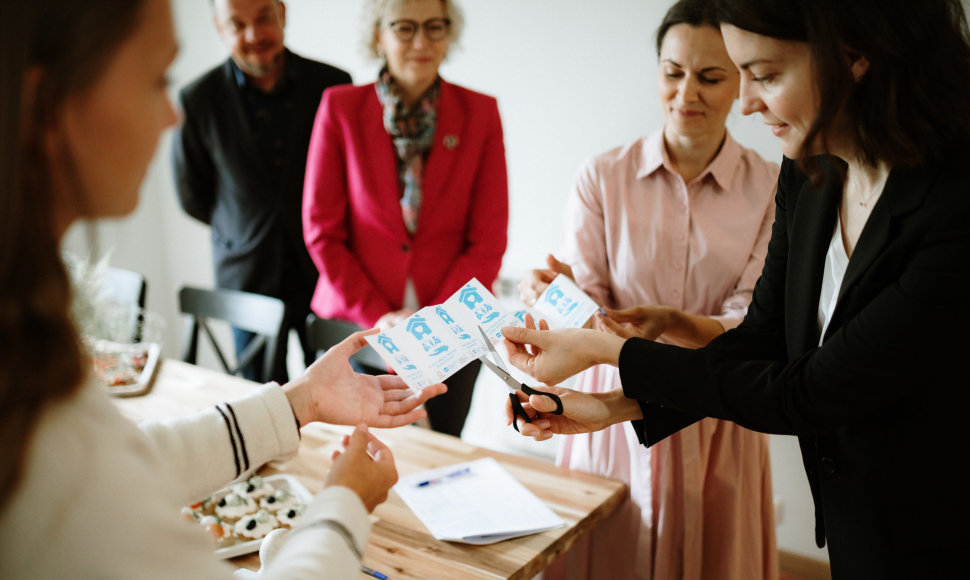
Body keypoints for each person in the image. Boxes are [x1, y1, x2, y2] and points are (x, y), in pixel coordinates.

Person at [502, 0, 970, 577]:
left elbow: (809, 392)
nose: (746, 102)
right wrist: (613, 405)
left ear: (854, 60)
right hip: (855, 511)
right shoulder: (811, 173)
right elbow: (765, 337)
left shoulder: (953, 206)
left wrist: (607, 350)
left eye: (765, 75)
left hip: (943, 522)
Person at [0, 0, 446, 577]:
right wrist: (346, 502)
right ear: (49, 102)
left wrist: (300, 400)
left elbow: (129, 462)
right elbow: (196, 196)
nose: (170, 115)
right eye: (156, 78)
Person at [517, 2, 778, 578]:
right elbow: (588, 298)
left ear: (741, 80)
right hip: (612, 408)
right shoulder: (602, 176)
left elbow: (756, 318)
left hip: (716, 412)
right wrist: (563, 299)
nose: (688, 93)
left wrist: (658, 330)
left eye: (711, 77)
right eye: (673, 71)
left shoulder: (773, 186)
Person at [302, 0, 508, 437]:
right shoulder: (340, 108)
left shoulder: (480, 113)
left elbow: (488, 240)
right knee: (360, 452)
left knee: (441, 452)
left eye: (435, 27)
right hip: (357, 326)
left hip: (452, 326)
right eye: (404, 28)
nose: (421, 41)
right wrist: (384, 319)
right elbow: (322, 233)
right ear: (378, 35)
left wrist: (432, 325)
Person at [171, 0, 352, 383]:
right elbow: (192, 195)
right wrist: (244, 224)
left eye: (264, 18)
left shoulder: (333, 85)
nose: (254, 36)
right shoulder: (196, 100)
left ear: (283, 14)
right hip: (245, 279)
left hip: (323, 271)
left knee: (334, 389)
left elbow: (352, 181)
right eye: (237, 25)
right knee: (259, 403)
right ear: (220, 29)